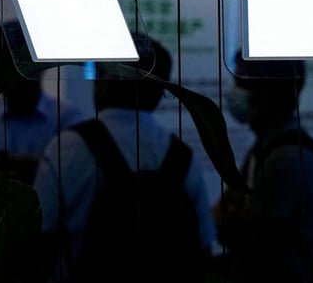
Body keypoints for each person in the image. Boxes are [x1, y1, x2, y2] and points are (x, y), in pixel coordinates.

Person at [34, 34, 215, 282]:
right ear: (161, 91)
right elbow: (203, 247)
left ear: (105, 81)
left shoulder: (67, 148)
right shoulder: (182, 156)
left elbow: (38, 238)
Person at [214, 54, 313, 283]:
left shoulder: (286, 158)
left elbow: (242, 233)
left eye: (242, 83)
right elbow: (226, 213)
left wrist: (227, 218)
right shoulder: (265, 147)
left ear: (269, 91)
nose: (235, 91)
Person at [0, 21, 88, 181]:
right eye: (13, 69)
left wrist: (0, 160)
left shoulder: (69, 117)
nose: (20, 78)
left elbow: (68, 170)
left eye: (25, 67)